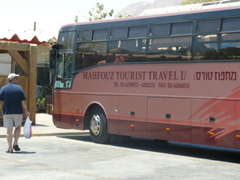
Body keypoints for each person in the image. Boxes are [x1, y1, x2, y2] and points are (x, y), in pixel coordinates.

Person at [0, 73, 30, 153]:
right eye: (16, 78)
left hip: (7, 112)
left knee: (9, 130)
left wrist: (0, 110)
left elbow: (0, 101)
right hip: (17, 112)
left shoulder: (3, 89)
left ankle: (10, 148)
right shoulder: (19, 88)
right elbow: (23, 101)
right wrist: (26, 111)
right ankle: (15, 143)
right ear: (13, 79)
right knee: (18, 127)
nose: (17, 79)